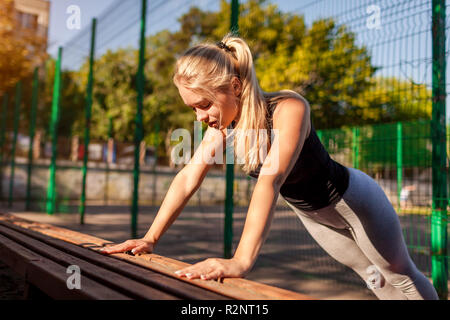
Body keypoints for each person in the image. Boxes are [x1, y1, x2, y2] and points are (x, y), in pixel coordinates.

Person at [101, 34, 438, 300]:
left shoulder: (288, 108)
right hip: (313, 214)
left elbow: (270, 180)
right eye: (193, 109)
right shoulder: (222, 128)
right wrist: (149, 238)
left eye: (204, 105)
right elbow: (189, 176)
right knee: (373, 277)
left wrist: (241, 260)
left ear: (234, 87)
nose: (200, 117)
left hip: (353, 201)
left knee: (399, 274)